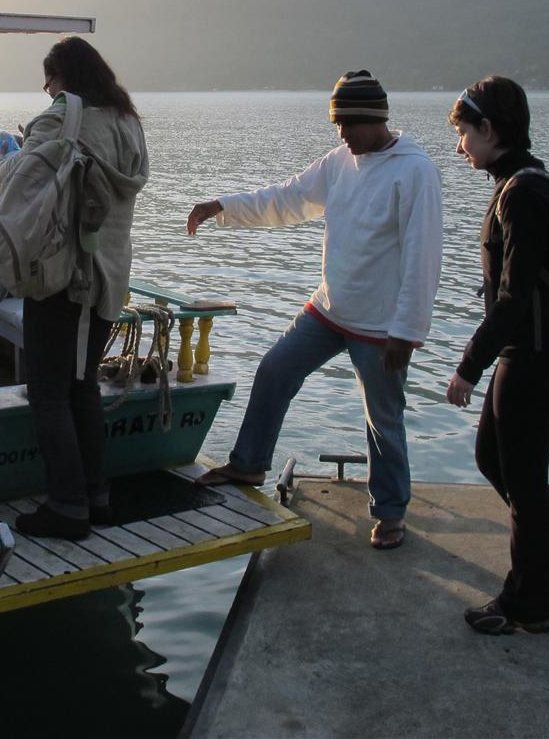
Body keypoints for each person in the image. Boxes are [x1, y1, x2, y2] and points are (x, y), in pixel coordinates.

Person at [186, 70, 442, 550]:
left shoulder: (414, 172)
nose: (341, 133)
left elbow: (423, 258)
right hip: (329, 309)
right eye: (337, 124)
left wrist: (407, 332)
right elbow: (288, 199)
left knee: (383, 419)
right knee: (275, 370)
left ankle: (390, 512)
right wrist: (222, 206)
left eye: (347, 124)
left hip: (380, 326)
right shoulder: (340, 162)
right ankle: (248, 464)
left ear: (374, 119)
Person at [444, 76, 549, 635]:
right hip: (533, 350)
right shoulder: (522, 183)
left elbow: (515, 297)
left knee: (521, 480)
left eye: (464, 133)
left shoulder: (523, 194)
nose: (460, 146)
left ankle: (529, 602)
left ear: (489, 129)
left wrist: (469, 365)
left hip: (536, 356)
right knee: (497, 461)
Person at [11, 37, 148, 541]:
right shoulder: (127, 123)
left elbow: (19, 177)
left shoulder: (63, 118)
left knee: (48, 393)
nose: (47, 90)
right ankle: (95, 496)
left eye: (49, 80)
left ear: (63, 77)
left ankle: (67, 507)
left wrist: (5, 153)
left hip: (63, 275)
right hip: (110, 276)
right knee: (82, 385)